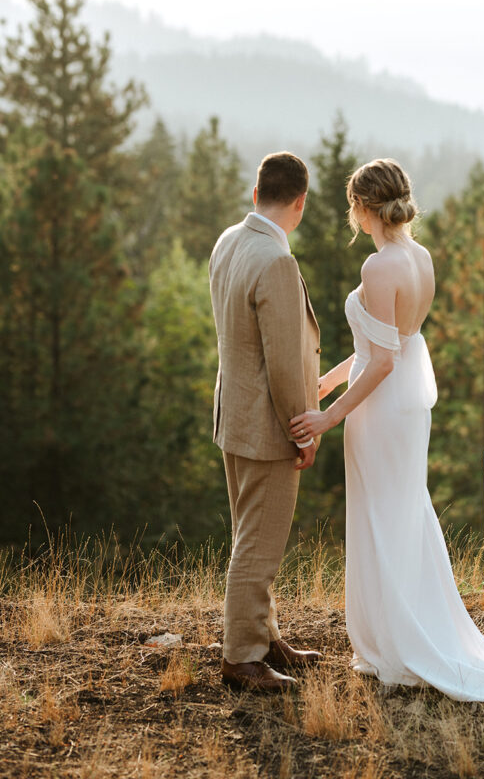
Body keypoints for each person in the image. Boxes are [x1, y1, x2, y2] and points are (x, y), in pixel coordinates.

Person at [290, 158, 484, 706]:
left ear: (363, 208)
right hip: (403, 409)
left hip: (380, 406)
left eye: (352, 206)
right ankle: (394, 638)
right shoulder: (418, 256)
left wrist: (330, 416)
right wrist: (325, 383)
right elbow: (384, 345)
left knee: (382, 515)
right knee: (399, 511)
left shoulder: (378, 269)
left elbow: (382, 362)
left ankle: (399, 644)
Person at [209, 151, 323, 693]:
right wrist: (303, 429)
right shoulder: (277, 262)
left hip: (234, 414)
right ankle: (242, 659)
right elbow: (282, 362)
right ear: (299, 204)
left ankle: (264, 634)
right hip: (267, 428)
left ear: (257, 194)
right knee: (259, 544)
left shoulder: (228, 241)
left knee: (248, 535)